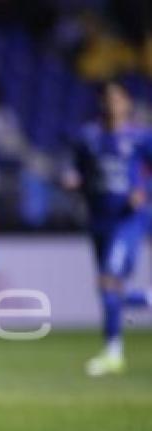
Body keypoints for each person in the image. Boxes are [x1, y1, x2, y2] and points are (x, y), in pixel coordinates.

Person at [62, 81, 152, 377]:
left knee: (109, 281)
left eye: (117, 98)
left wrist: (144, 191)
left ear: (127, 103)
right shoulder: (88, 138)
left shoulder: (140, 138)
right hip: (99, 221)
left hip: (127, 221)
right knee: (109, 289)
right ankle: (115, 351)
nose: (112, 103)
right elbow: (78, 169)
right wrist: (74, 180)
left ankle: (113, 353)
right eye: (107, 98)